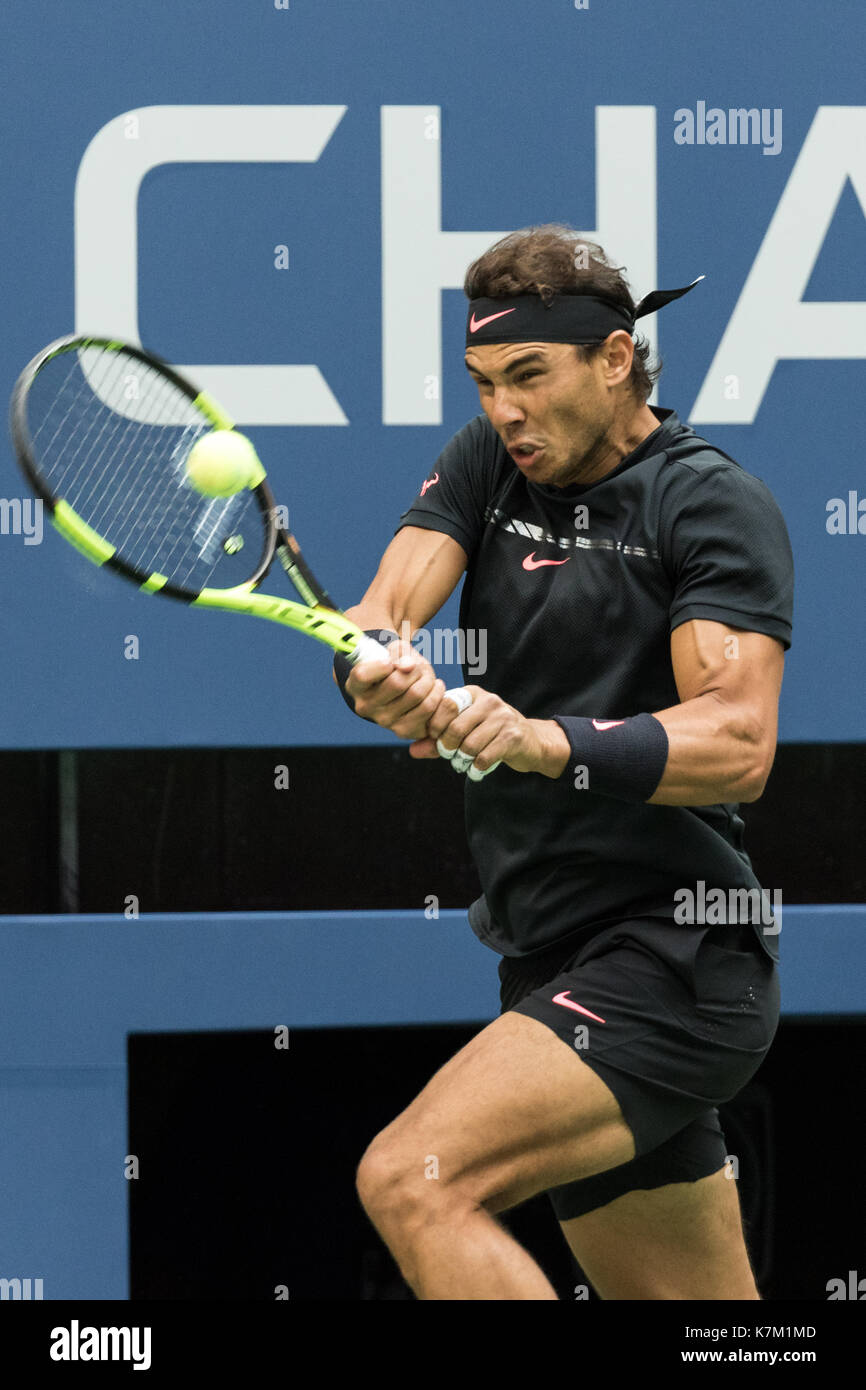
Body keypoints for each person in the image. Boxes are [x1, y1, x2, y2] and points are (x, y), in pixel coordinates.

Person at [332, 225, 793, 1300]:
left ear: (615, 358)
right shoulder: (486, 462)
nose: (503, 408)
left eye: (528, 375)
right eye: (485, 380)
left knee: (413, 1180)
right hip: (549, 953)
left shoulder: (706, 502)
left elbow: (737, 742)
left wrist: (542, 741)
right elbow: (381, 615)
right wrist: (377, 670)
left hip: (677, 952)